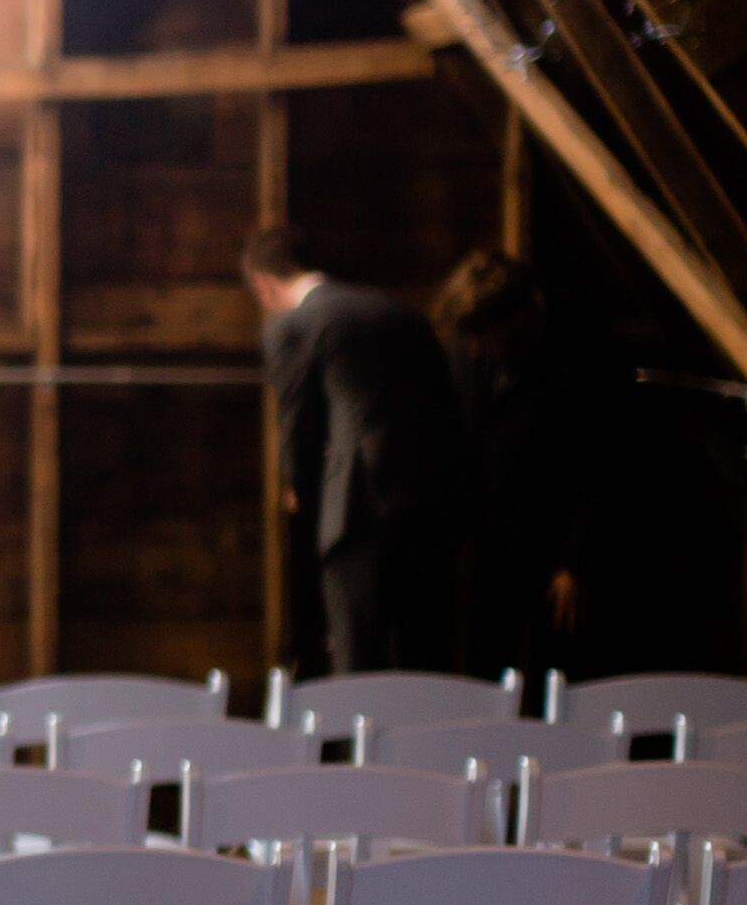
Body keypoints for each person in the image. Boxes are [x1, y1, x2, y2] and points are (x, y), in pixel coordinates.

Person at [243, 222, 464, 679]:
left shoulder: (292, 326)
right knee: (425, 658)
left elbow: (295, 422)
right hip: (431, 505)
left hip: (354, 510)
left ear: (263, 283)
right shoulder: (402, 314)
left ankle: (359, 752)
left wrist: (299, 491)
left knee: (357, 659)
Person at [433, 245, 624, 685]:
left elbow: (603, 468)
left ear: (518, 318)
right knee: (483, 669)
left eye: (483, 335)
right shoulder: (469, 352)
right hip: (490, 541)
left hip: (555, 546)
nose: (474, 348)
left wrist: (575, 561)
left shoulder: (582, 356)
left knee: (557, 675)